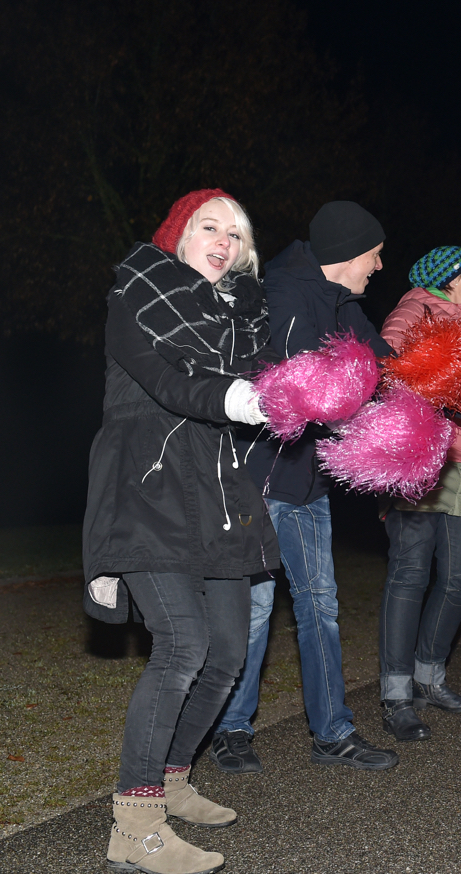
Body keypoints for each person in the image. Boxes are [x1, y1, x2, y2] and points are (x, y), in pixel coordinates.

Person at [82, 189, 280, 874]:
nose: (224, 240)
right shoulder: (136, 295)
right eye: (209, 226)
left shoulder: (240, 322)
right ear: (178, 232)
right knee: (182, 645)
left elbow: (261, 393)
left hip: (214, 491)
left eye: (236, 232)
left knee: (227, 650)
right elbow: (170, 385)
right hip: (148, 484)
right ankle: (135, 826)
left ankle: (170, 780)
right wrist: (235, 397)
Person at [208, 202, 400, 773]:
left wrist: (443, 377)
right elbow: (301, 389)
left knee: (314, 606)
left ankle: (324, 731)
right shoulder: (285, 297)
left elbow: (383, 367)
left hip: (308, 480)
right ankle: (235, 728)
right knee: (265, 607)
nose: (381, 263)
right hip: (264, 476)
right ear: (348, 252)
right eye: (375, 251)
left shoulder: (344, 302)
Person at [376, 246, 461, 741]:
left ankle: (429, 677)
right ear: (452, 278)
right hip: (420, 462)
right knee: (410, 575)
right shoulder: (414, 311)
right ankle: (397, 695)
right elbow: (386, 370)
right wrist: (447, 383)